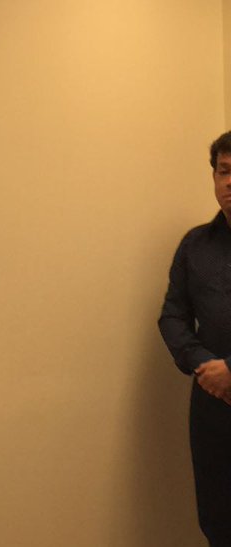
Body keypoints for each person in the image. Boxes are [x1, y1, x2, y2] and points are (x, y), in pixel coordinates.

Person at [158, 130, 231, 547]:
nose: (230, 182)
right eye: (224, 171)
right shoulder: (195, 246)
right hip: (213, 406)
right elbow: (173, 315)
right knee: (218, 519)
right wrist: (204, 364)